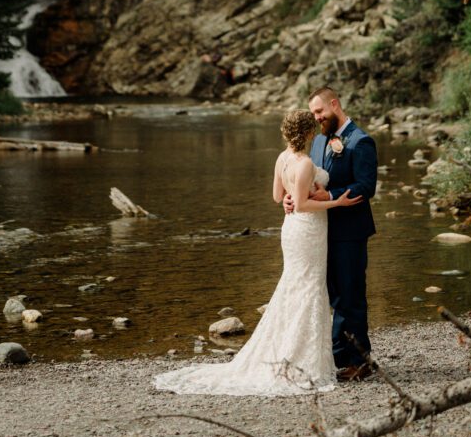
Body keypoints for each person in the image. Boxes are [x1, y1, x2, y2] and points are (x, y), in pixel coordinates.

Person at [154, 110, 363, 396]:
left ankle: (291, 352)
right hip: (307, 230)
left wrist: (292, 195)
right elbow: (301, 205)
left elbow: (279, 197)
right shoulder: (302, 163)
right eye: (312, 129)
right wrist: (336, 202)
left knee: (296, 287)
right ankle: (302, 359)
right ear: (307, 133)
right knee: (308, 288)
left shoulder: (282, 158)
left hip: (292, 230)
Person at [285, 85, 377, 382]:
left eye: (319, 111)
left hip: (350, 231)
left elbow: (366, 186)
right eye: (313, 113)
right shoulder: (317, 143)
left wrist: (332, 195)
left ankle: (361, 361)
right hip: (319, 231)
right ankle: (338, 357)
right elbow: (305, 182)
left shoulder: (361, 141)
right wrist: (291, 198)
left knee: (351, 296)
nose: (317, 118)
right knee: (332, 294)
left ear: (334, 104)